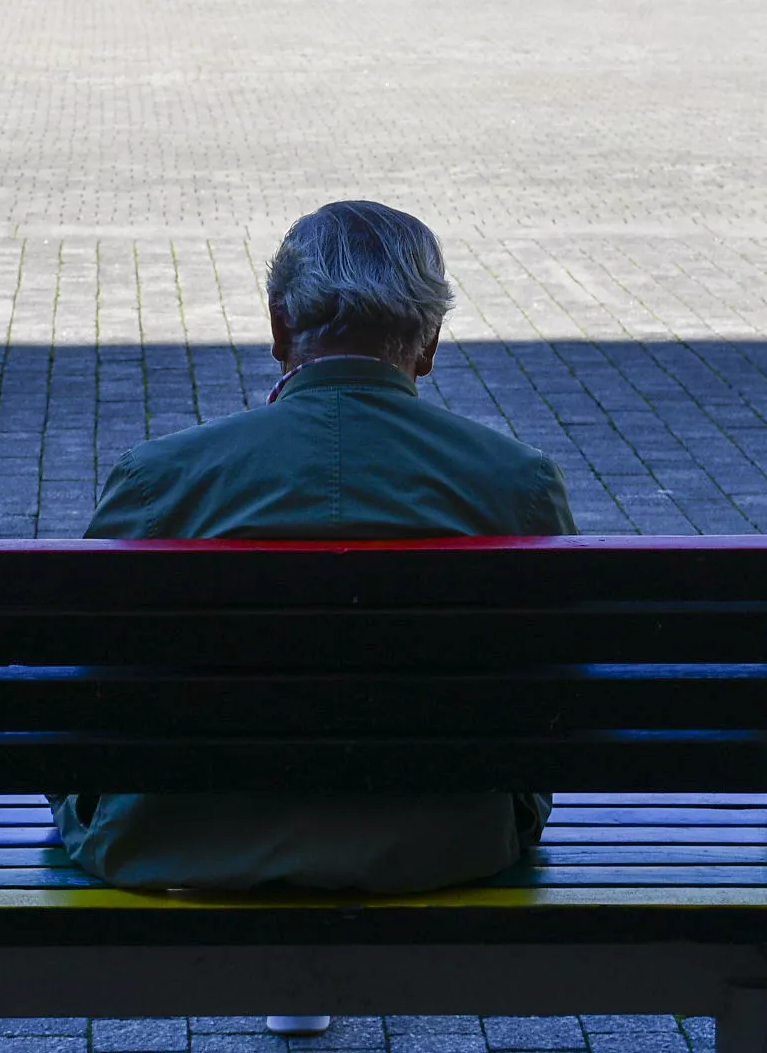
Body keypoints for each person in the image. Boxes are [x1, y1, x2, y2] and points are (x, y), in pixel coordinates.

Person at [57, 199, 573, 927]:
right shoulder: (515, 483)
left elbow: (83, 681)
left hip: (173, 840)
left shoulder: (160, 479)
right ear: (428, 343)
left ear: (278, 327)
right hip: (446, 840)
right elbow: (554, 685)